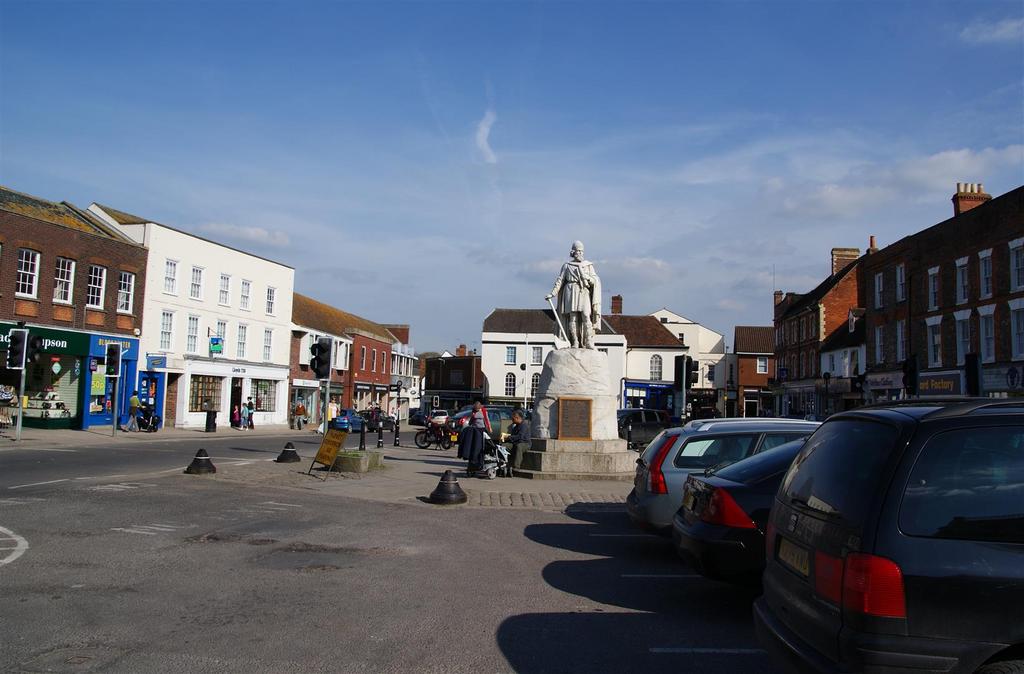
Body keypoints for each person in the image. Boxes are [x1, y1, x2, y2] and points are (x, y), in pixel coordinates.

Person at [545, 240, 602, 349]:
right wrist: (552, 294)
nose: (580, 253)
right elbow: (560, 281)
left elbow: (595, 280)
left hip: (583, 291)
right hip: (570, 292)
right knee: (573, 318)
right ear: (573, 252)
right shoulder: (567, 266)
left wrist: (588, 278)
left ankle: (588, 341)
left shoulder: (588, 266)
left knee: (586, 315)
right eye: (578, 251)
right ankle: (575, 341)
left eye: (581, 251)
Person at [457, 399, 491, 472]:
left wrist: (489, 428)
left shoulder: (484, 411)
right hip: (475, 429)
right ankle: (474, 462)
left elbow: (486, 419)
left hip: (482, 429)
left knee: (482, 445)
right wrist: (469, 425)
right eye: (476, 409)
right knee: (475, 445)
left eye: (478, 409)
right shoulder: (473, 411)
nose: (476, 410)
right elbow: (472, 419)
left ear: (480, 407)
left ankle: (480, 461)